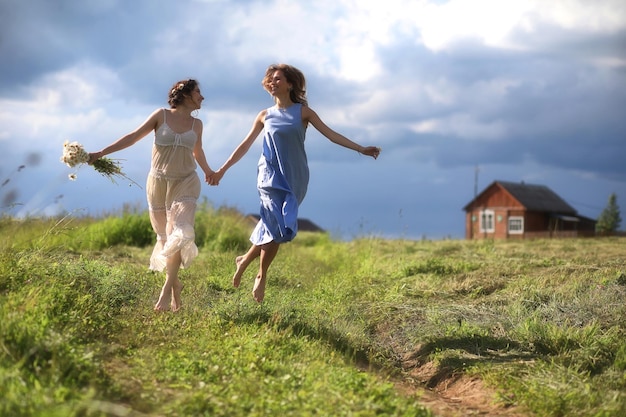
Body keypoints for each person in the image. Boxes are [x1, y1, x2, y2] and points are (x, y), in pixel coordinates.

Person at [208, 64, 380, 303]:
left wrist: (360, 148)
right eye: (271, 79)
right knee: (273, 222)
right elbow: (245, 146)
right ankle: (261, 275)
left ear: (290, 84)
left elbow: (331, 135)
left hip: (295, 177)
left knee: (280, 226)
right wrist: (222, 170)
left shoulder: (303, 113)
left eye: (278, 79)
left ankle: (245, 259)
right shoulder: (264, 115)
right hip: (268, 175)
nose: (273, 82)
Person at [89, 79, 214, 312]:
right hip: (158, 183)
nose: (202, 97)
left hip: (186, 182)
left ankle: (165, 292)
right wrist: (101, 153)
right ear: (185, 95)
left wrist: (209, 172)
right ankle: (177, 286)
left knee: (181, 230)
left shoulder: (197, 125)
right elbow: (133, 137)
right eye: (198, 92)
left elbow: (198, 151)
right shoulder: (161, 116)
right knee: (166, 238)